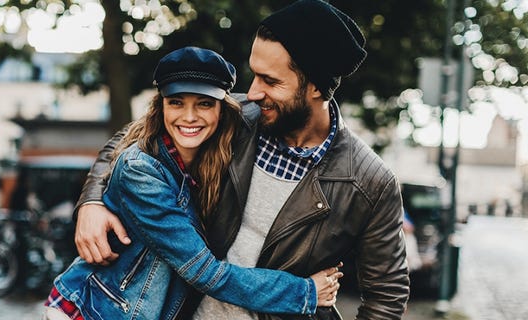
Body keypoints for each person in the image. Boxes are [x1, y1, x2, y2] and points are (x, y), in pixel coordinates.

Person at [73, 1, 410, 319]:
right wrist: (91, 203)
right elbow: (135, 138)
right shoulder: (233, 116)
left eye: (271, 81)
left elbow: (386, 295)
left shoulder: (369, 182)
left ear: (317, 88)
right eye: (255, 74)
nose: (252, 92)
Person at [44, 46, 343, 320]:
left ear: (221, 109)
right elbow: (204, 272)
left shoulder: (215, 151)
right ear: (161, 107)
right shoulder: (141, 171)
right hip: (95, 311)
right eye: (176, 102)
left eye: (203, 103)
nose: (189, 117)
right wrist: (304, 293)